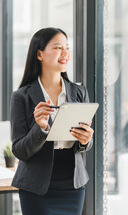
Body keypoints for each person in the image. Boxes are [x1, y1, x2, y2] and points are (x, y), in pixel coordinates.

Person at [10, 27, 94, 215]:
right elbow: (19, 151)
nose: (65, 53)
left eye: (67, 47)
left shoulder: (79, 93)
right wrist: (40, 129)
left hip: (72, 185)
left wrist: (86, 140)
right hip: (36, 187)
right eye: (58, 48)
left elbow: (85, 144)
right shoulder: (21, 96)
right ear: (39, 54)